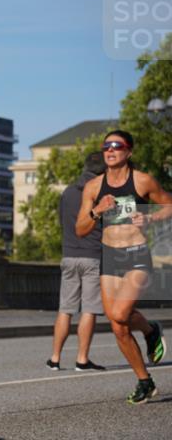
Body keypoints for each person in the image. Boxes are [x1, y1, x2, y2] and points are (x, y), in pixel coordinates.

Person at [76, 130, 172, 404]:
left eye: (117, 146)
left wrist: (151, 218)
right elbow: (80, 229)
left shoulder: (142, 181)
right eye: (106, 146)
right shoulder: (94, 187)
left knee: (119, 312)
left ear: (128, 152)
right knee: (118, 326)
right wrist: (97, 212)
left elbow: (169, 205)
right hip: (110, 257)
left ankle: (150, 331)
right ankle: (145, 380)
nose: (111, 150)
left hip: (137, 254)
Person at [47, 152, 108, 371]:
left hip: (69, 255)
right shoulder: (104, 194)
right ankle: (82, 359)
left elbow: (62, 222)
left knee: (65, 309)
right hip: (93, 256)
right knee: (89, 309)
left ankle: (55, 358)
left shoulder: (68, 192)